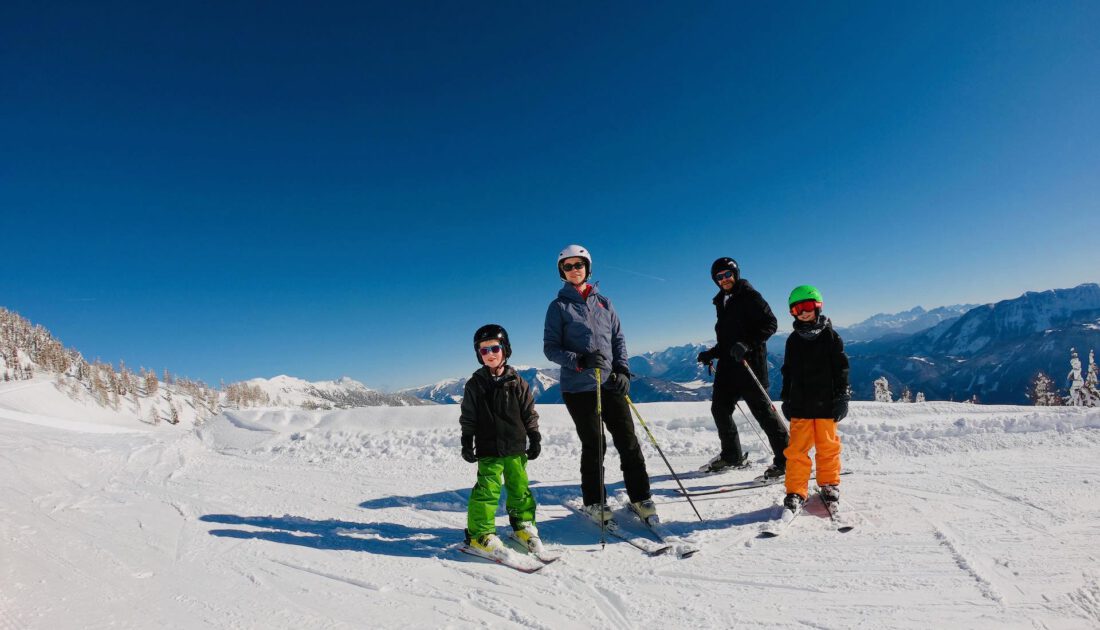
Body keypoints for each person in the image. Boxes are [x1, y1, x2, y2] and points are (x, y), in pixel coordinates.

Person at [543, 244, 657, 524]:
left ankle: (641, 497)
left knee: (628, 441)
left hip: (610, 382)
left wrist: (623, 371)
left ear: (588, 267)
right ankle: (594, 502)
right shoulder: (558, 307)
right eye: (568, 266)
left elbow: (618, 339)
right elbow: (551, 348)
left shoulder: (604, 302)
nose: (574, 270)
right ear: (561, 271)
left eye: (579, 264)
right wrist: (580, 360)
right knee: (595, 445)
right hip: (578, 388)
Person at [696, 257, 789, 477]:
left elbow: (770, 323)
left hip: (750, 365)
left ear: (736, 274)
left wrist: (747, 344)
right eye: (719, 277)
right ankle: (732, 456)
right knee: (720, 409)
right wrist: (712, 353)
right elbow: (729, 339)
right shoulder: (721, 301)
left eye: (728, 274)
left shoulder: (750, 296)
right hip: (728, 368)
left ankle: (787, 461)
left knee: (763, 413)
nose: (724, 279)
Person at [459, 324, 543, 555]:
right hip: (488, 448)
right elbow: (468, 416)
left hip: (516, 447)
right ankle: (480, 533)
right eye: (484, 350)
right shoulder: (475, 385)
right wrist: (467, 440)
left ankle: (523, 524)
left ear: (505, 349)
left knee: (520, 488)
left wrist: (534, 436)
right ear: (479, 354)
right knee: (487, 491)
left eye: (494, 348)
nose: (490, 354)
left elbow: (529, 413)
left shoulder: (518, 382)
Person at [778, 285, 850, 512]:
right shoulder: (793, 340)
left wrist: (842, 396)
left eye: (807, 306)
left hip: (826, 404)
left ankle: (828, 484)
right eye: (796, 309)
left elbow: (841, 369)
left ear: (818, 306)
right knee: (796, 451)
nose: (803, 312)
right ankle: (795, 491)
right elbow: (788, 371)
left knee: (828, 447)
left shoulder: (831, 337)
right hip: (800, 404)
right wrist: (786, 398)